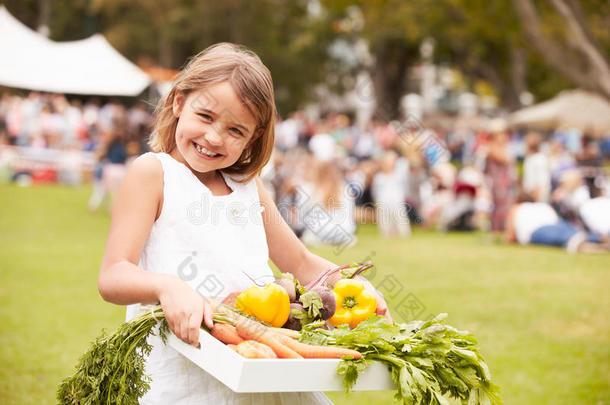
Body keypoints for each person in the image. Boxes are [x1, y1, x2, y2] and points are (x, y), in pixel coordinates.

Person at [97, 43, 391, 405]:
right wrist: (167, 287)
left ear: (254, 137)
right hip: (186, 374)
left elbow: (298, 262)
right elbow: (113, 276)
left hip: (258, 364)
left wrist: (353, 287)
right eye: (205, 116)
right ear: (178, 102)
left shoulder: (248, 186)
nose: (214, 137)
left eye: (236, 130)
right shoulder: (153, 173)